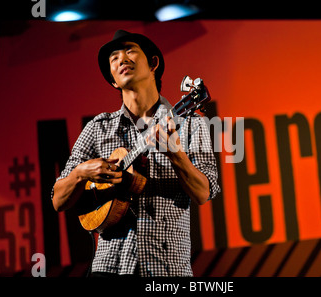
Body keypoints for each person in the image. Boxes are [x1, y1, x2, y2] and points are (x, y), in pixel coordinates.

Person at [51, 30, 220, 277]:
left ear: (153, 63)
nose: (121, 59)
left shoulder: (192, 124)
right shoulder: (97, 128)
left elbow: (204, 192)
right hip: (108, 268)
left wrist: (176, 155)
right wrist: (81, 172)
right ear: (112, 81)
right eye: (114, 58)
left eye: (129, 50)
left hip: (167, 270)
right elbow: (57, 200)